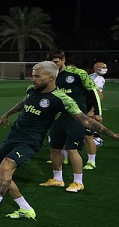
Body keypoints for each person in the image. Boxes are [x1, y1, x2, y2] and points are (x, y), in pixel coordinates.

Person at [0, 60, 119, 221]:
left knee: (6, 167)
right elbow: (25, 102)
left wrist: (114, 135)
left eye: (36, 76)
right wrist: (7, 114)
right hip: (13, 136)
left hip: (30, 140)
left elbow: (86, 121)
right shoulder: (31, 90)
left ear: (50, 78)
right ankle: (25, 209)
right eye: (32, 75)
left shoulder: (62, 99)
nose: (32, 79)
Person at [39, 50, 101, 193]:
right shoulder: (50, 76)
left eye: (56, 62)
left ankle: (78, 182)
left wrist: (97, 112)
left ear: (63, 59)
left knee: (72, 149)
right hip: (56, 117)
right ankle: (57, 179)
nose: (54, 65)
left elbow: (92, 92)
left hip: (75, 117)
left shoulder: (78, 74)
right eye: (51, 63)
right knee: (55, 148)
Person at [83, 62, 108, 169]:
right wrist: (94, 110)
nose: (105, 69)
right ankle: (95, 138)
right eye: (103, 67)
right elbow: (97, 95)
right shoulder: (96, 79)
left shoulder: (96, 78)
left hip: (87, 106)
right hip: (88, 106)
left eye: (105, 67)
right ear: (96, 68)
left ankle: (95, 138)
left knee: (88, 129)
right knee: (89, 129)